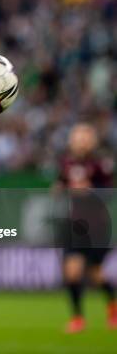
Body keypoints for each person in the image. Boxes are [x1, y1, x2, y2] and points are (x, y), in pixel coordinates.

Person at [57, 123, 116, 333]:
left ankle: (113, 308)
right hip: (75, 225)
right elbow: (62, 184)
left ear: (92, 140)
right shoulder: (66, 161)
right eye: (77, 136)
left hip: (97, 226)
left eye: (85, 137)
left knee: (97, 274)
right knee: (71, 273)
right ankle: (77, 318)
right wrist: (59, 189)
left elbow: (108, 193)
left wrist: (88, 190)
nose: (80, 141)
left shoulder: (101, 163)